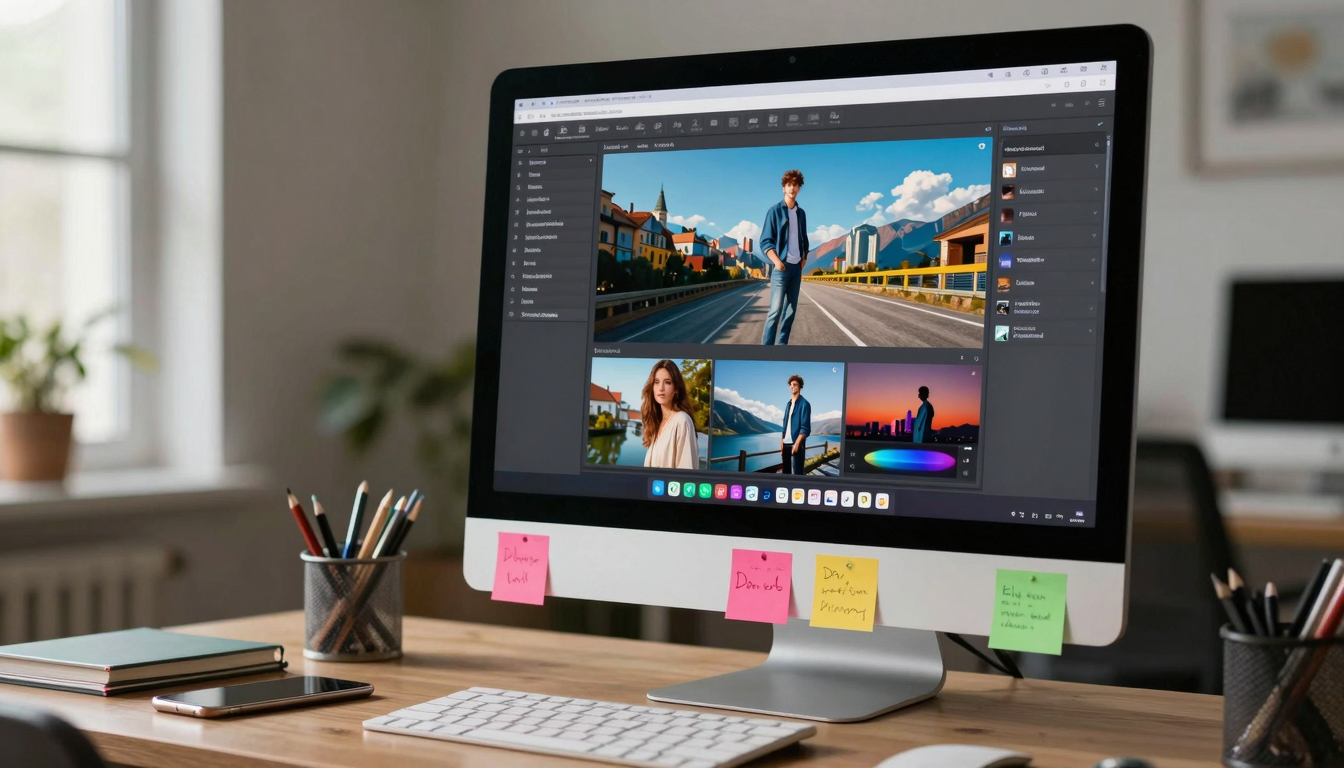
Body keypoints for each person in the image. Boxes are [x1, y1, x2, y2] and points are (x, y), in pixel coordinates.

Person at [759, 170, 810, 345]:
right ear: (783, 188)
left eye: (795, 185)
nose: (792, 188)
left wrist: (803, 258)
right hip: (781, 269)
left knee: (790, 312)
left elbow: (804, 239)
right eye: (789, 185)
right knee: (775, 311)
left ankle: (781, 347)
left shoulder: (801, 214)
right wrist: (778, 263)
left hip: (796, 269)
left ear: (799, 188)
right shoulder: (774, 211)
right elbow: (765, 241)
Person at [641, 359, 699, 469]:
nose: (661, 388)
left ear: (676, 388)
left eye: (667, 382)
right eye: (656, 382)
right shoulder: (656, 423)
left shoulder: (682, 421)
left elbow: (687, 472)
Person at [780, 374, 811, 474]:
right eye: (790, 385)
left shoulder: (804, 404)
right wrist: (782, 440)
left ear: (800, 386)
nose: (792, 386)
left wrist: (797, 443)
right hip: (786, 444)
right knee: (786, 473)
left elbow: (805, 428)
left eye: (795, 384)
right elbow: (785, 424)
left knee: (797, 473)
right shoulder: (788, 404)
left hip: (796, 444)